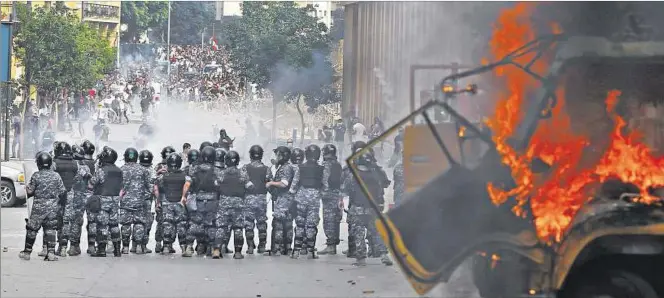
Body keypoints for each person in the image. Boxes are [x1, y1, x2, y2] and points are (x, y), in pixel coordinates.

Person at [19, 152, 67, 261]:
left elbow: (30, 192)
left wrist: (27, 187)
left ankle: (27, 252)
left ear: (39, 164)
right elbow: (63, 191)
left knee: (32, 229)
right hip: (52, 208)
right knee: (50, 230)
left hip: (38, 208)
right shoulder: (56, 175)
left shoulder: (36, 175)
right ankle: (50, 253)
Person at [181, 146, 220, 257]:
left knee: (195, 222)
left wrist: (183, 196)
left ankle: (189, 247)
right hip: (212, 201)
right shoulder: (216, 170)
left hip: (198, 200)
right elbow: (221, 185)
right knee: (211, 224)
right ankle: (213, 249)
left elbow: (187, 184)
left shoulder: (194, 169)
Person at [213, 150, 252, 259]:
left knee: (221, 227)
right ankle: (238, 252)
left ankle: (216, 250)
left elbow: (216, 185)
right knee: (238, 228)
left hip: (224, 204)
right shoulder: (242, 173)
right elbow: (250, 186)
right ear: (237, 161)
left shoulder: (221, 173)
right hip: (238, 204)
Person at [290, 144, 324, 259]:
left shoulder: (301, 167)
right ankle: (310, 252)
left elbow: (294, 184)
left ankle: (296, 251)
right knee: (311, 225)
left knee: (300, 224)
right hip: (314, 199)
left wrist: (292, 194)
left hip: (301, 198)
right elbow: (325, 185)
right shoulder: (321, 169)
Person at [89, 146, 123, 257]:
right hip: (115, 199)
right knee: (114, 225)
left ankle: (101, 250)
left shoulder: (101, 171)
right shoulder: (119, 170)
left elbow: (92, 183)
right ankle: (117, 250)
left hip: (103, 199)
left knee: (102, 225)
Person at [60, 145, 92, 256]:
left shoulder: (72, 166)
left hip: (70, 197)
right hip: (81, 197)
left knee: (66, 221)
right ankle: (74, 246)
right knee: (77, 222)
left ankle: (62, 246)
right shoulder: (85, 167)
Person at [119, 148, 152, 254]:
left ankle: (125, 247)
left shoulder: (121, 169)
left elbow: (118, 186)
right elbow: (149, 186)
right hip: (140, 201)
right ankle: (138, 246)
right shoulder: (143, 170)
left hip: (125, 202)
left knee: (126, 224)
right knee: (139, 223)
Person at [52, 142, 82, 257]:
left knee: (57, 220)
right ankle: (64, 246)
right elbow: (78, 178)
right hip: (70, 194)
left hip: (57, 195)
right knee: (66, 221)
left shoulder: (54, 164)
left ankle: (57, 246)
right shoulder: (75, 164)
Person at [242, 145, 272, 254]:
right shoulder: (266, 169)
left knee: (249, 223)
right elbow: (269, 184)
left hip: (249, 199)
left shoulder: (245, 168)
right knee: (262, 222)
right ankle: (262, 246)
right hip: (261, 199)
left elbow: (242, 182)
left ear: (250, 155)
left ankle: (250, 246)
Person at [156, 153, 188, 254]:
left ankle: (166, 246)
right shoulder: (184, 176)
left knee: (167, 225)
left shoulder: (163, 176)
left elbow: (156, 186)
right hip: (180, 203)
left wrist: (158, 173)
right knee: (181, 225)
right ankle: (183, 247)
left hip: (167, 203)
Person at [265, 146, 294, 256]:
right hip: (285, 200)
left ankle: (276, 249)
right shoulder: (284, 167)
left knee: (279, 225)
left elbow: (284, 183)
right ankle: (286, 248)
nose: (275, 156)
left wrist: (271, 183)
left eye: (277, 154)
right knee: (287, 224)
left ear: (282, 156)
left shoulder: (286, 168)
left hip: (283, 200)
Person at [317, 144, 343, 255]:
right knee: (336, 220)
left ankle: (331, 246)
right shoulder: (338, 164)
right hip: (337, 194)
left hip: (328, 196)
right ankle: (334, 244)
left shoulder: (326, 164)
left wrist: (322, 193)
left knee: (328, 221)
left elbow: (324, 179)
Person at [81, 140, 98, 254]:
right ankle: (91, 245)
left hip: (80, 195)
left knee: (76, 221)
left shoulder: (79, 163)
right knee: (92, 222)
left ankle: (74, 246)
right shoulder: (98, 163)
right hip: (93, 195)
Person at [137, 150, 156, 254]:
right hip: (148, 201)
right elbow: (154, 187)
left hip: (136, 200)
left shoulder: (137, 169)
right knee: (147, 223)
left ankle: (136, 245)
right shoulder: (152, 171)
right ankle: (143, 245)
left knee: (138, 222)